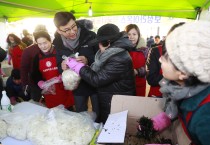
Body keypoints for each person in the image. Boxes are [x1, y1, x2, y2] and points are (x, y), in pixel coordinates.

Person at [138, 21, 210, 145]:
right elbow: (173, 110)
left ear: (183, 72)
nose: (160, 59)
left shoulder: (204, 117)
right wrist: (152, 125)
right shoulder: (180, 88)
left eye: (166, 58)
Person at [62, 23, 136, 123]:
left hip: (116, 103)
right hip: (111, 99)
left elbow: (97, 80)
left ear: (110, 43)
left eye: (103, 43)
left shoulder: (118, 58)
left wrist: (79, 67)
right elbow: (103, 73)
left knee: (112, 130)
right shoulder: (114, 54)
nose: (99, 47)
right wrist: (86, 68)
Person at [53, 12, 99, 117]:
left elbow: (101, 58)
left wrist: (88, 60)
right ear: (58, 31)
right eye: (66, 30)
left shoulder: (90, 36)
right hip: (77, 86)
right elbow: (59, 64)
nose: (72, 31)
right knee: (81, 114)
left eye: (74, 26)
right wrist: (62, 66)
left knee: (99, 113)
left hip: (95, 82)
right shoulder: (58, 44)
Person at [31, 31, 74, 109]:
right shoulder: (37, 57)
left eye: (45, 43)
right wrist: (40, 83)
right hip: (49, 91)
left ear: (50, 40)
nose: (43, 46)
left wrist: (64, 76)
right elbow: (35, 73)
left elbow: (72, 68)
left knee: (67, 113)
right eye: (39, 44)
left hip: (64, 89)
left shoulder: (60, 53)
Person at [146, 22, 185, 97]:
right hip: (158, 97)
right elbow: (151, 78)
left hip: (181, 96)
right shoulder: (156, 51)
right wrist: (176, 78)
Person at [20, 25, 47, 102]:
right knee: (36, 102)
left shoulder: (52, 47)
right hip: (35, 82)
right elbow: (24, 68)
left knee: (52, 103)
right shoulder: (28, 50)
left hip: (51, 81)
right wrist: (25, 84)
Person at [125, 24, 149, 96]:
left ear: (138, 36)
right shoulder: (122, 49)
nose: (131, 37)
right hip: (125, 85)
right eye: (129, 34)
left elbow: (149, 68)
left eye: (134, 34)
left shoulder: (145, 50)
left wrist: (137, 71)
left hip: (140, 85)